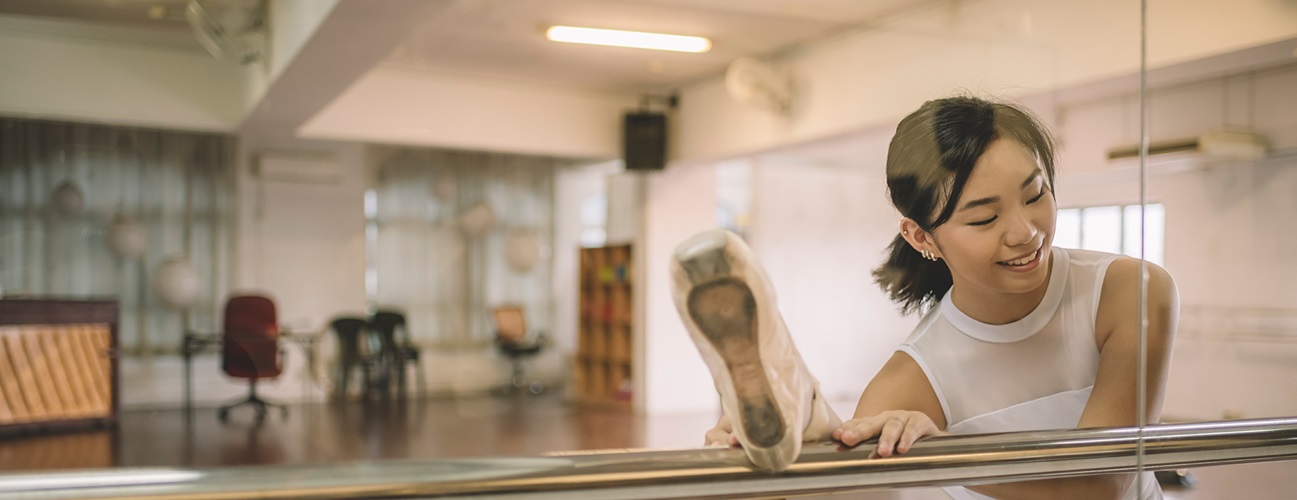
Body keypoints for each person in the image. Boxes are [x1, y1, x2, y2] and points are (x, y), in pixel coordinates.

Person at [672, 95, 1177, 499]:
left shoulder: (1130, 291)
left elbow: (1101, 484)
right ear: (920, 237)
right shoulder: (911, 380)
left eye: (1035, 194)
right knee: (836, 487)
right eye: (984, 218)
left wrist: (943, 453)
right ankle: (807, 428)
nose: (1025, 232)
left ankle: (811, 418)